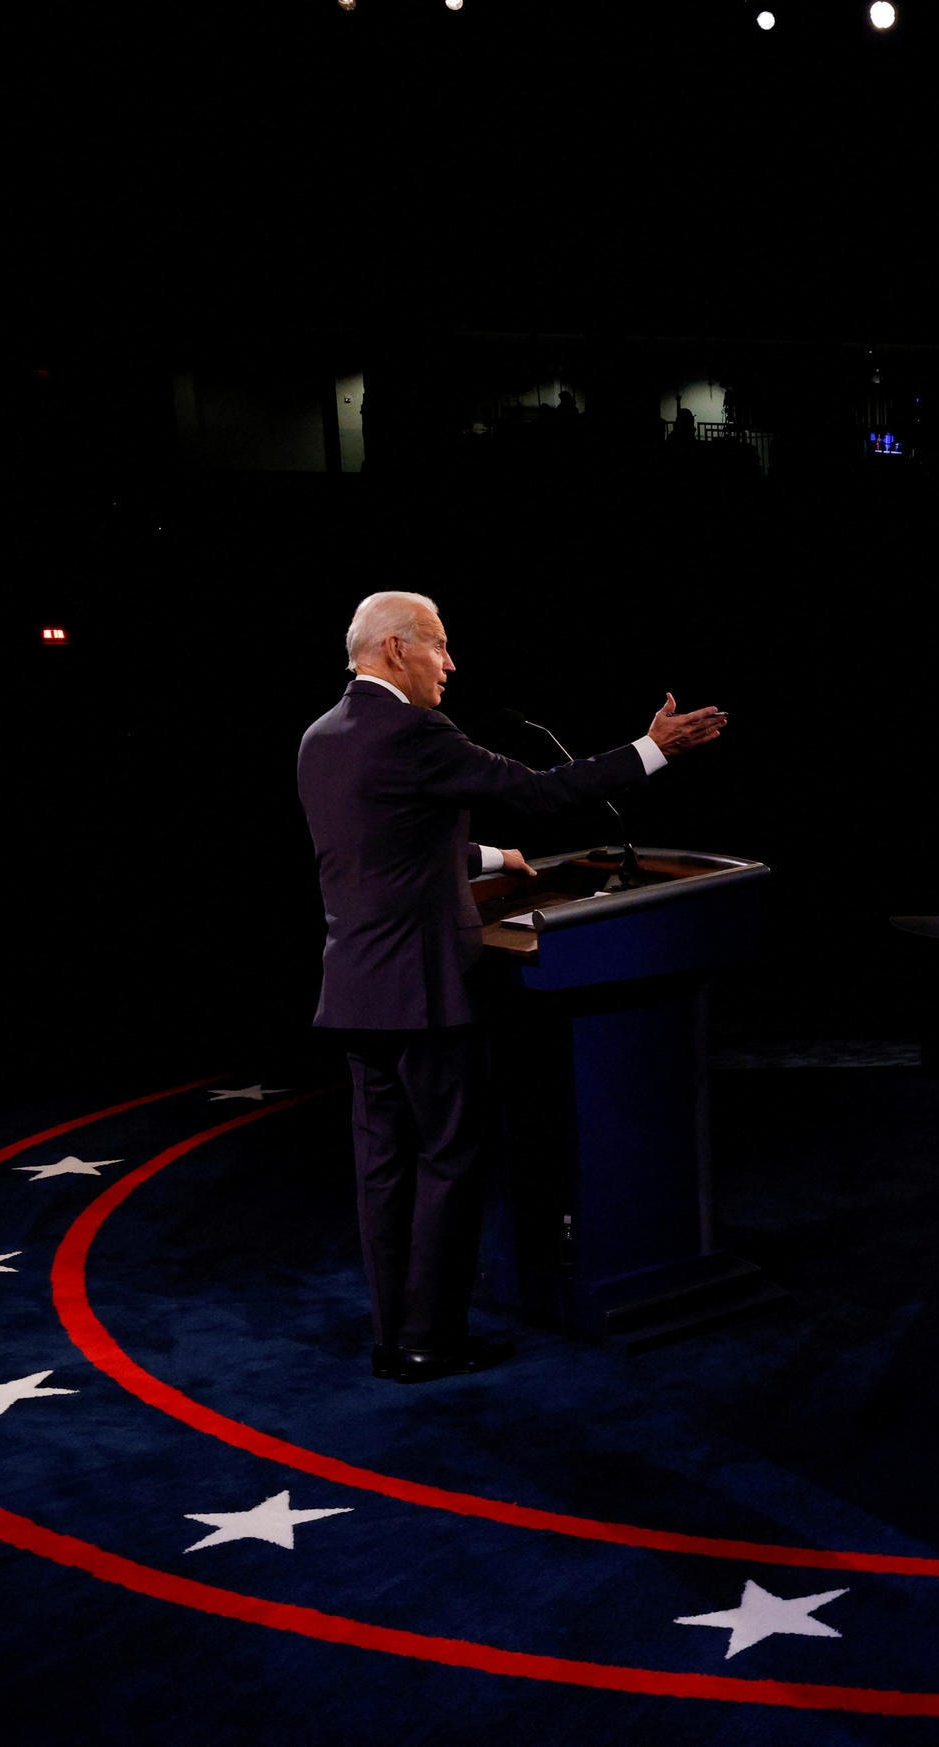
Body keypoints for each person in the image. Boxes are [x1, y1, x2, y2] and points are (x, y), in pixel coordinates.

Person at [297, 590, 728, 1383]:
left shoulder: (321, 737)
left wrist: (495, 860)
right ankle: (432, 1340)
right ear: (395, 649)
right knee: (448, 1162)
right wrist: (652, 748)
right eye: (440, 646)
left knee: (382, 1170)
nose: (450, 664)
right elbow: (537, 789)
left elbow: (382, 851)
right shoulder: (416, 730)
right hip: (424, 993)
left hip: (356, 992)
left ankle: (395, 1336)